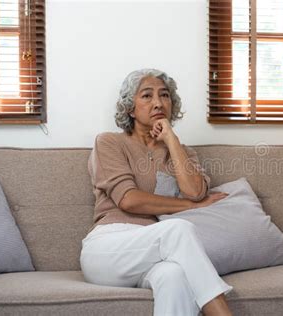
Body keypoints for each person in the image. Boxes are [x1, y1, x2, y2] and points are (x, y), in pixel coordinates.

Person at [80, 68, 233, 316]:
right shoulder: (109, 142)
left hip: (156, 253)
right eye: (147, 96)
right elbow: (129, 200)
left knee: (175, 277)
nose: (158, 103)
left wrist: (171, 140)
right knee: (179, 228)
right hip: (109, 248)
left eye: (164, 95)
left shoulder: (183, 153)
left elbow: (194, 191)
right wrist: (191, 208)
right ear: (130, 108)